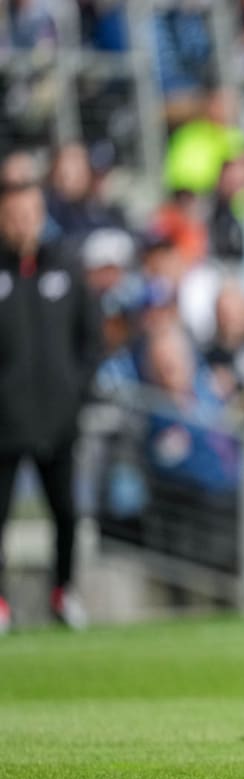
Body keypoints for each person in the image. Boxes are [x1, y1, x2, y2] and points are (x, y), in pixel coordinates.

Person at [0, 150, 102, 632]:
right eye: (15, 214)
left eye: (30, 212)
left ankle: (64, 593)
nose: (23, 222)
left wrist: (74, 394)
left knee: (66, 513)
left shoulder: (67, 265)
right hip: (5, 424)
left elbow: (91, 341)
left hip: (59, 422)